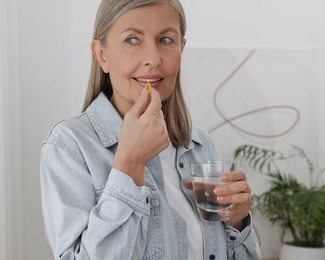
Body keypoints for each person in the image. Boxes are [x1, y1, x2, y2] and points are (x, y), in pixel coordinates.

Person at [40, 0, 262, 259]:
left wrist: (238, 222)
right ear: (101, 54)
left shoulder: (200, 144)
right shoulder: (69, 147)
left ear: (182, 48)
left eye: (166, 40)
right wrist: (130, 165)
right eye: (132, 40)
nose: (153, 59)